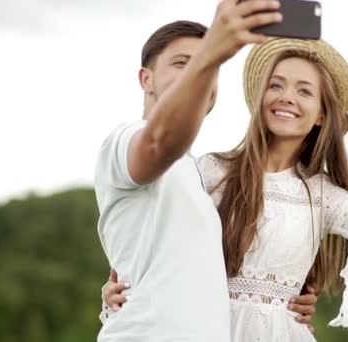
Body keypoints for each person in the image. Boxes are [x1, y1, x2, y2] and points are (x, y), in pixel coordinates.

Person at [103, 37, 348, 341]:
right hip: (203, 326)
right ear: (261, 99)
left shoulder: (321, 194)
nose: (287, 96)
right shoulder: (212, 171)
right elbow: (155, 233)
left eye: (304, 91)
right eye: (276, 85)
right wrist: (120, 284)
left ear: (320, 116)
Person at [93, 2, 317, 341]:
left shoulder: (196, 174)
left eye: (206, 68)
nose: (196, 73)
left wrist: (282, 298)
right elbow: (159, 142)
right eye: (182, 63)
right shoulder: (124, 140)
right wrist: (211, 55)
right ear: (146, 79)